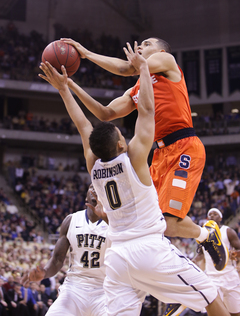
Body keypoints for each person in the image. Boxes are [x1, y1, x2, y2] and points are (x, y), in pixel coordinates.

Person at [38, 43, 230, 316]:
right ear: (120, 144)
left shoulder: (166, 60)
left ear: (160, 49)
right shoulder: (136, 138)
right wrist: (71, 81)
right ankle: (181, 273)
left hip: (182, 146)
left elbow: (89, 120)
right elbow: (105, 114)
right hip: (159, 158)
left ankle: (202, 242)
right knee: (165, 225)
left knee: (170, 223)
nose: (142, 46)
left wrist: (76, 71)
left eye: (148, 43)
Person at [21, 184, 110, 316]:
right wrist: (44, 273)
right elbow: (57, 259)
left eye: (100, 187)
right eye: (92, 187)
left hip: (104, 290)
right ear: (86, 195)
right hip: (74, 288)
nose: (96, 190)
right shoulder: (71, 220)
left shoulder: (114, 223)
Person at [165, 207, 240, 316]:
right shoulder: (204, 233)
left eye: (215, 214)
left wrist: (235, 254)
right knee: (213, 309)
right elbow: (201, 253)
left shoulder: (228, 231)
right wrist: (194, 261)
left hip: (230, 276)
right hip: (212, 278)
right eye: (210, 214)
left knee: (235, 312)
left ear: (220, 217)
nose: (212, 216)